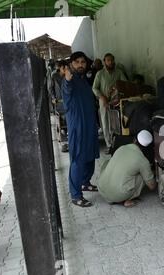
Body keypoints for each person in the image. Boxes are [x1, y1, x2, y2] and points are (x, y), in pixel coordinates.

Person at [62, 51, 100, 208]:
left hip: (90, 125)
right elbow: (67, 87)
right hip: (78, 126)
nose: (80, 65)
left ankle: (85, 182)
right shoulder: (69, 80)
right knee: (77, 159)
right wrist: (67, 79)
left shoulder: (84, 80)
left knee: (90, 154)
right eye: (76, 62)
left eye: (83, 62)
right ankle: (76, 195)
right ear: (71, 64)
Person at [98, 130, 156, 208]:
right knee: (144, 176)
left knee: (108, 163)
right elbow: (151, 186)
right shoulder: (142, 161)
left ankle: (112, 190)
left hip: (102, 189)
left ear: (134, 140)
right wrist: (153, 175)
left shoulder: (121, 148)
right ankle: (128, 199)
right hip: (117, 196)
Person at [92, 53, 127, 153]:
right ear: (104, 61)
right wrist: (102, 97)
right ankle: (109, 145)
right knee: (105, 122)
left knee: (117, 122)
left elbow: (125, 84)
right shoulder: (100, 74)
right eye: (108, 60)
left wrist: (116, 88)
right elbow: (94, 88)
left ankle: (117, 143)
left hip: (116, 101)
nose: (110, 62)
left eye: (112, 60)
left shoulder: (119, 72)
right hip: (103, 101)